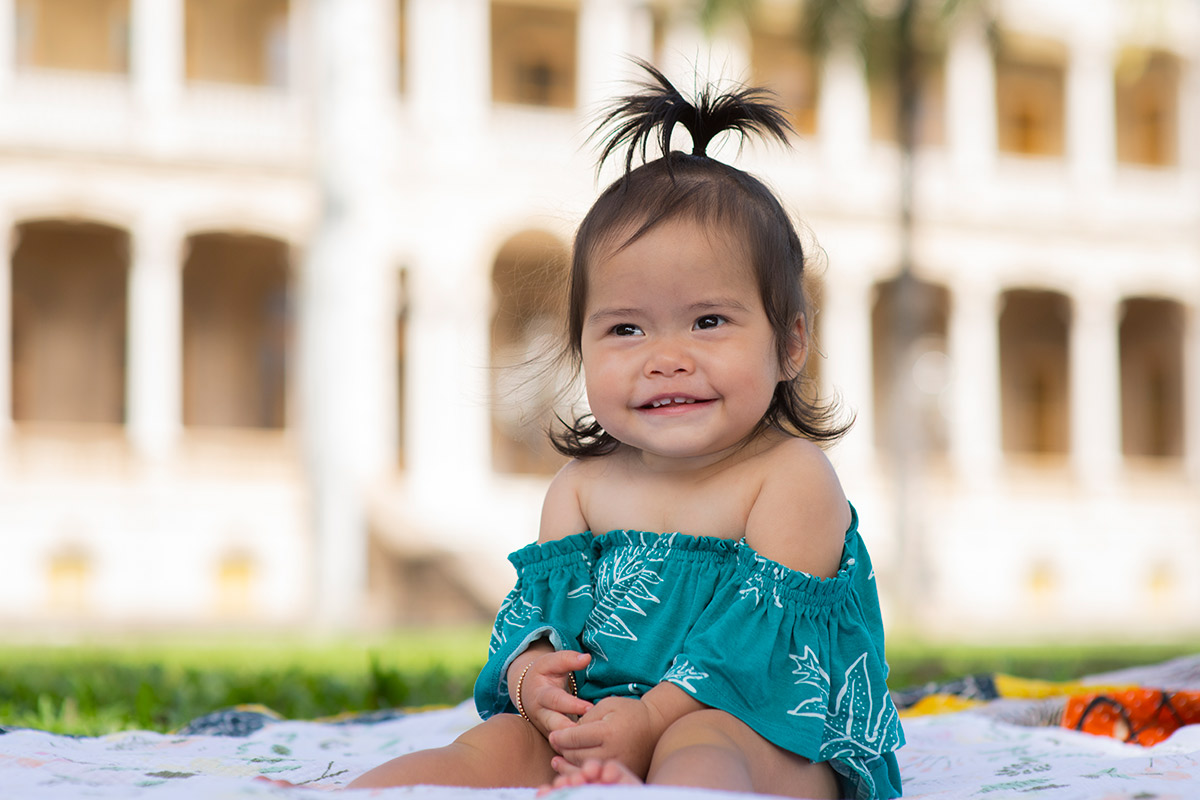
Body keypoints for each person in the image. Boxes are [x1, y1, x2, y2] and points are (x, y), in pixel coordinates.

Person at [348, 61, 904, 799]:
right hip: (606, 726)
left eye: (709, 321)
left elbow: (754, 654)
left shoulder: (790, 477)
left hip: (769, 731)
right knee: (492, 747)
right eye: (626, 329)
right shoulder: (579, 490)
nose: (665, 359)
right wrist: (531, 678)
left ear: (791, 343)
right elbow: (532, 625)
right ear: (582, 346)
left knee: (703, 747)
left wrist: (650, 725)